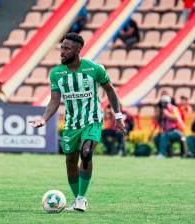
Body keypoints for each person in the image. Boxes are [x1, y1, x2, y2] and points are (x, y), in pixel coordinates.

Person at [29, 33, 125, 212]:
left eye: (67, 49)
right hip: (71, 124)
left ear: (78, 50)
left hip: (93, 120)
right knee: (71, 161)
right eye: (61, 48)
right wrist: (43, 118)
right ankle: (75, 198)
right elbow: (54, 100)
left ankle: (81, 199)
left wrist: (118, 117)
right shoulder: (57, 73)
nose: (62, 52)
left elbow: (110, 91)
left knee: (86, 152)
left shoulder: (94, 69)